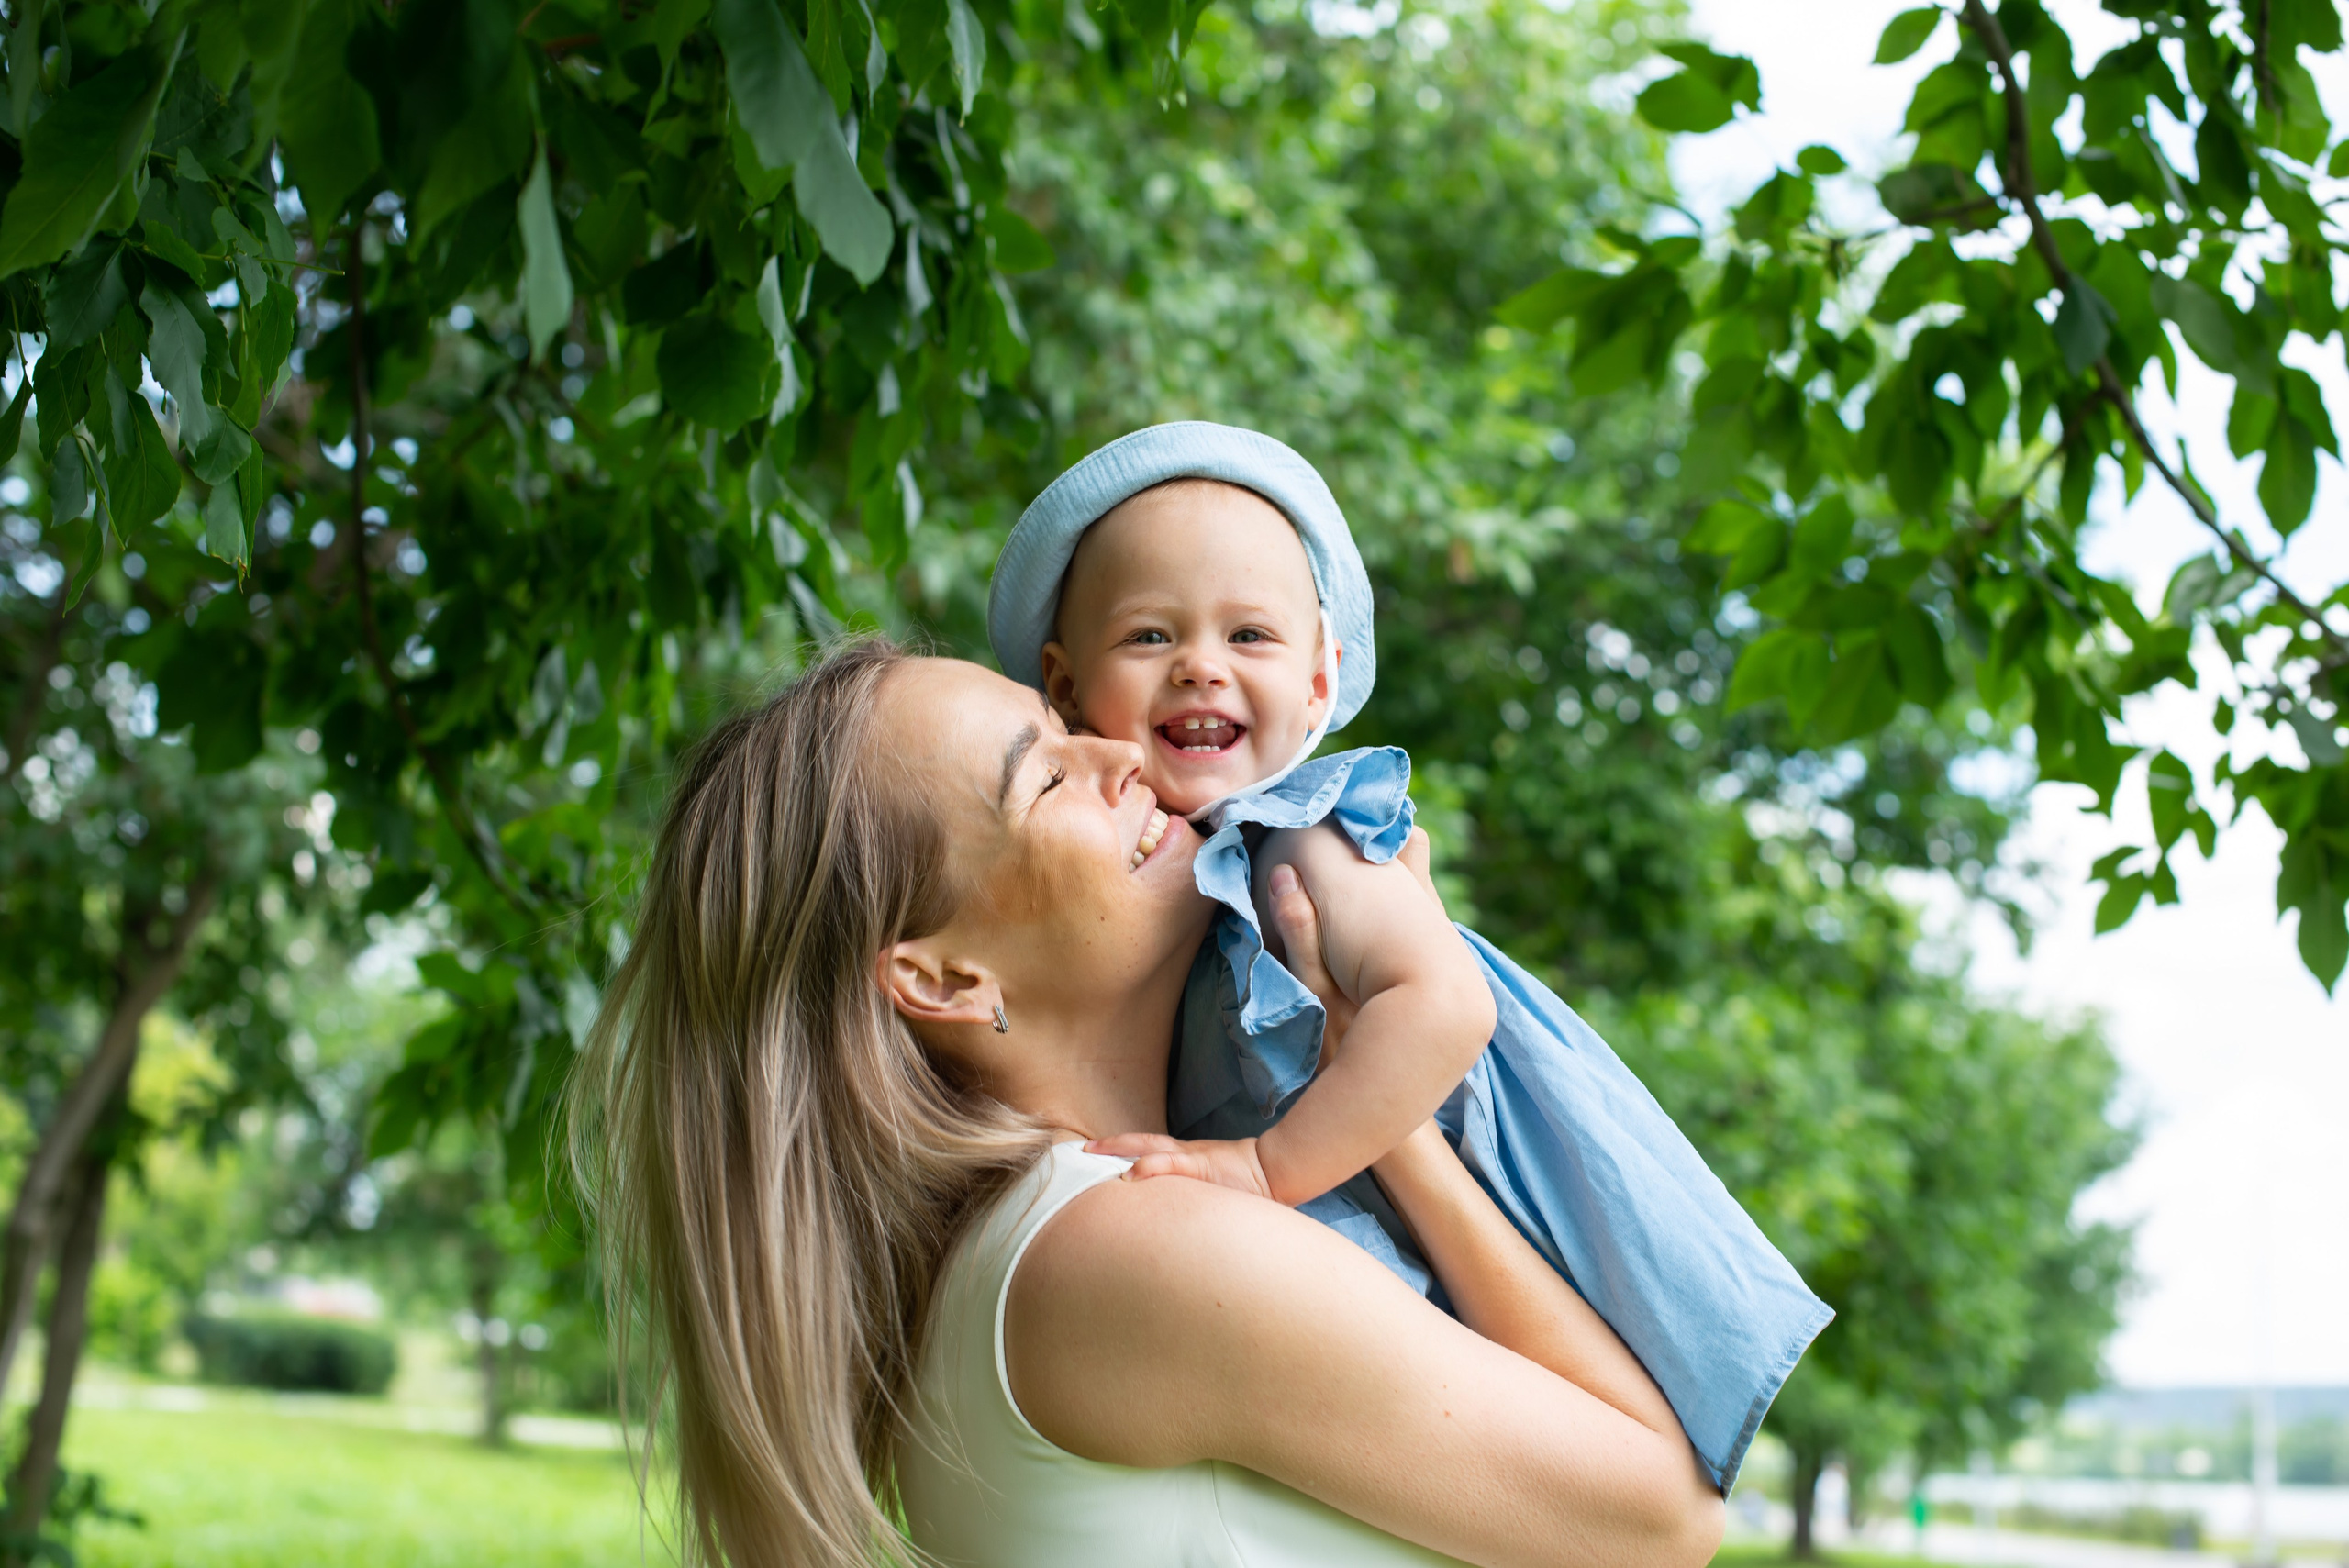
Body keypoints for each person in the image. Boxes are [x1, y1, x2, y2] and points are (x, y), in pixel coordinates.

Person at [570, 639, 1724, 1568]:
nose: (1120, 751)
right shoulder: (1136, 1248)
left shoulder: (1021, 1257)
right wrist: (1387, 1118)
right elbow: (1661, 1523)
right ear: (945, 978)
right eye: (1044, 776)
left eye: (1065, 724)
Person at [988, 422, 1831, 1489]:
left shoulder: (1302, 838)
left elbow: (1445, 1008)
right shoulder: (1166, 875)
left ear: (1319, 681)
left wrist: (1266, 1166)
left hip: (1426, 1204)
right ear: (1065, 687)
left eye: (1249, 634)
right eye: (1150, 634)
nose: (1201, 663)